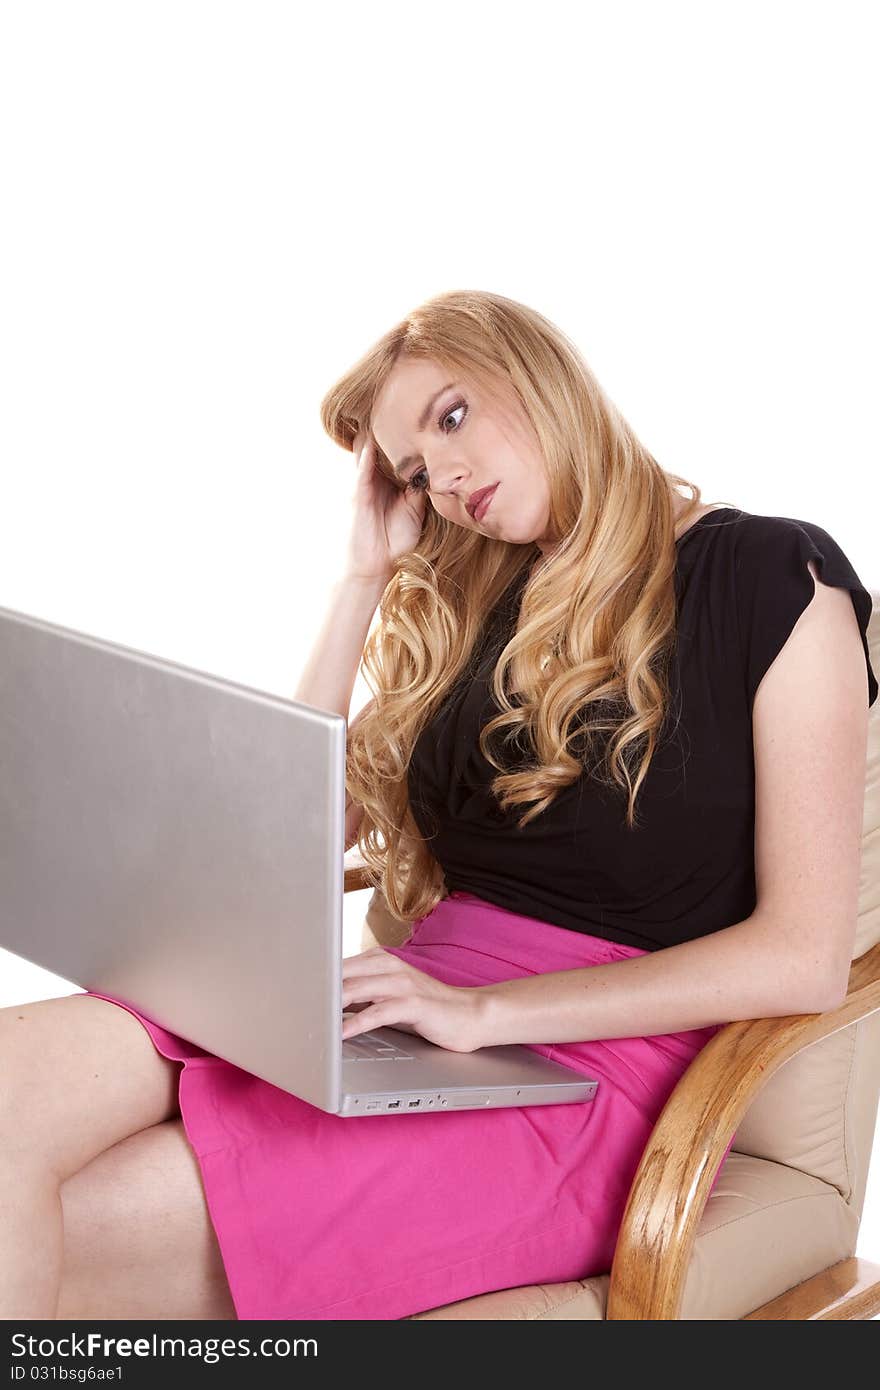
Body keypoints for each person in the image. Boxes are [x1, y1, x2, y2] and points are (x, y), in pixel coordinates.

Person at [2, 290, 876, 1322]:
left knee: (86, 1221)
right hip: (400, 1012)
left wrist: (484, 1013)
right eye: (416, 469)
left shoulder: (775, 575)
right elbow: (289, 839)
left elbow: (804, 956)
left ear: (538, 372)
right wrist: (361, 577)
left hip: (582, 1078)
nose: (444, 478)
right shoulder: (473, 602)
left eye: (451, 417)